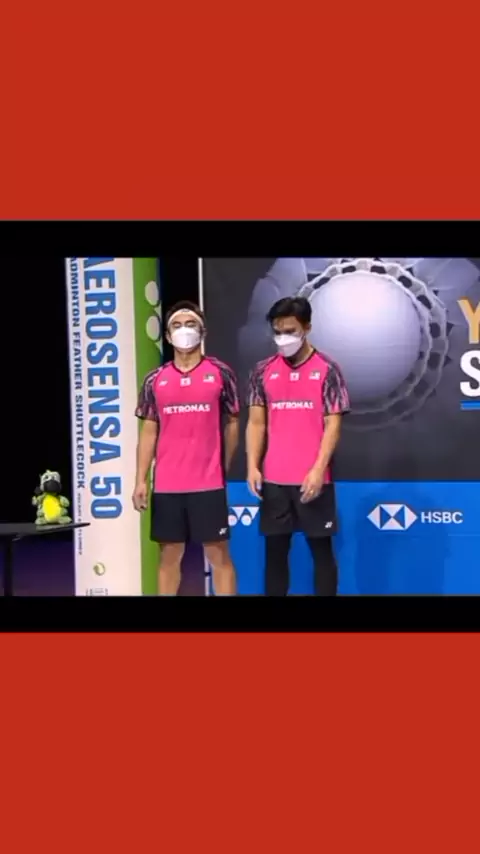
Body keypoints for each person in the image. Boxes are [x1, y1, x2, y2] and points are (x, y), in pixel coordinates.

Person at [133, 300, 239, 595]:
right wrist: (141, 479)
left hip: (208, 483)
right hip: (167, 485)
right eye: (177, 326)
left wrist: (222, 464)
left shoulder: (220, 373)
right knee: (168, 558)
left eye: (191, 324)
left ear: (202, 332)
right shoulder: (154, 380)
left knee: (219, 556)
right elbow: (149, 431)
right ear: (168, 336)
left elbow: (233, 421)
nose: (184, 330)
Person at [246, 296, 350, 596]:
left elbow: (333, 425)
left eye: (290, 331)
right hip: (274, 480)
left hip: (313, 479)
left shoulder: (328, 369)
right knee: (275, 555)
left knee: (321, 552)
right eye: (277, 332)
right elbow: (256, 423)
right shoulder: (262, 371)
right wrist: (252, 466)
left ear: (307, 328)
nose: (283, 338)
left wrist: (318, 470)